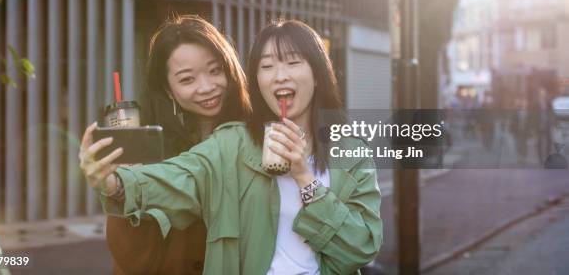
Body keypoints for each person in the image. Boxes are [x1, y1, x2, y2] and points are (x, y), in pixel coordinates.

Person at [81, 19, 382, 274]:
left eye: (293, 62)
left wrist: (305, 178)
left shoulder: (350, 152)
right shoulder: (233, 141)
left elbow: (361, 249)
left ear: (318, 74)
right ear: (257, 80)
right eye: (267, 66)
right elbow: (181, 175)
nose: (280, 75)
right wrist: (116, 183)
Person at [80, 15, 251, 274]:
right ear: (168, 90)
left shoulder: (257, 135)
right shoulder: (151, 148)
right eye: (187, 79)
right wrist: (118, 186)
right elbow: (130, 258)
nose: (206, 87)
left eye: (215, 71)